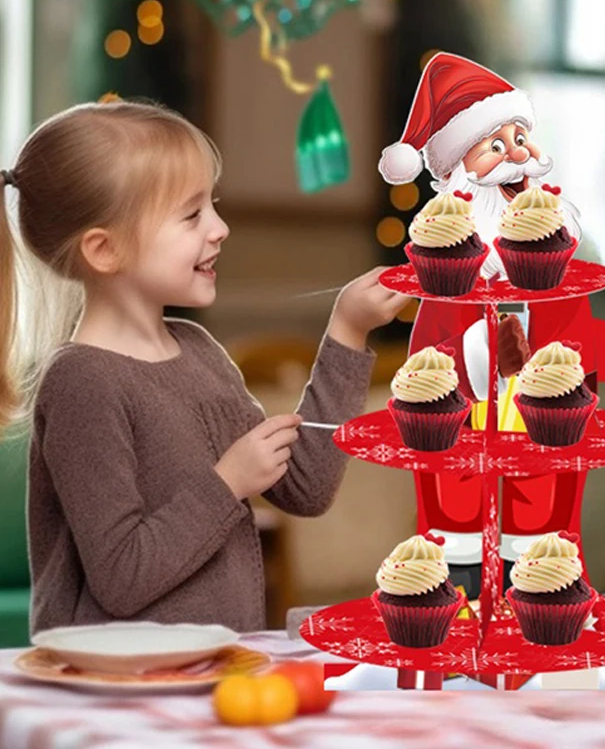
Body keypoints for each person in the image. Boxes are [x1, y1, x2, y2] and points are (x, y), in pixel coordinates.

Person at [0, 98, 410, 634]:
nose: (219, 228)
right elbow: (122, 578)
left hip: (208, 671)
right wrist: (229, 481)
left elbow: (305, 489)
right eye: (192, 215)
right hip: (117, 692)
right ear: (104, 250)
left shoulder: (197, 350)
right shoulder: (82, 383)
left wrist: (348, 331)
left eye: (211, 205)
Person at [380, 53, 605, 592]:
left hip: (545, 502)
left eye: (520, 138)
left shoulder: (564, 297)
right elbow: (425, 372)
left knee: (541, 582)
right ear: (459, 173)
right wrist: (487, 352)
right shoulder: (448, 289)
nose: (517, 157)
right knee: (457, 568)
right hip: (459, 482)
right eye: (495, 146)